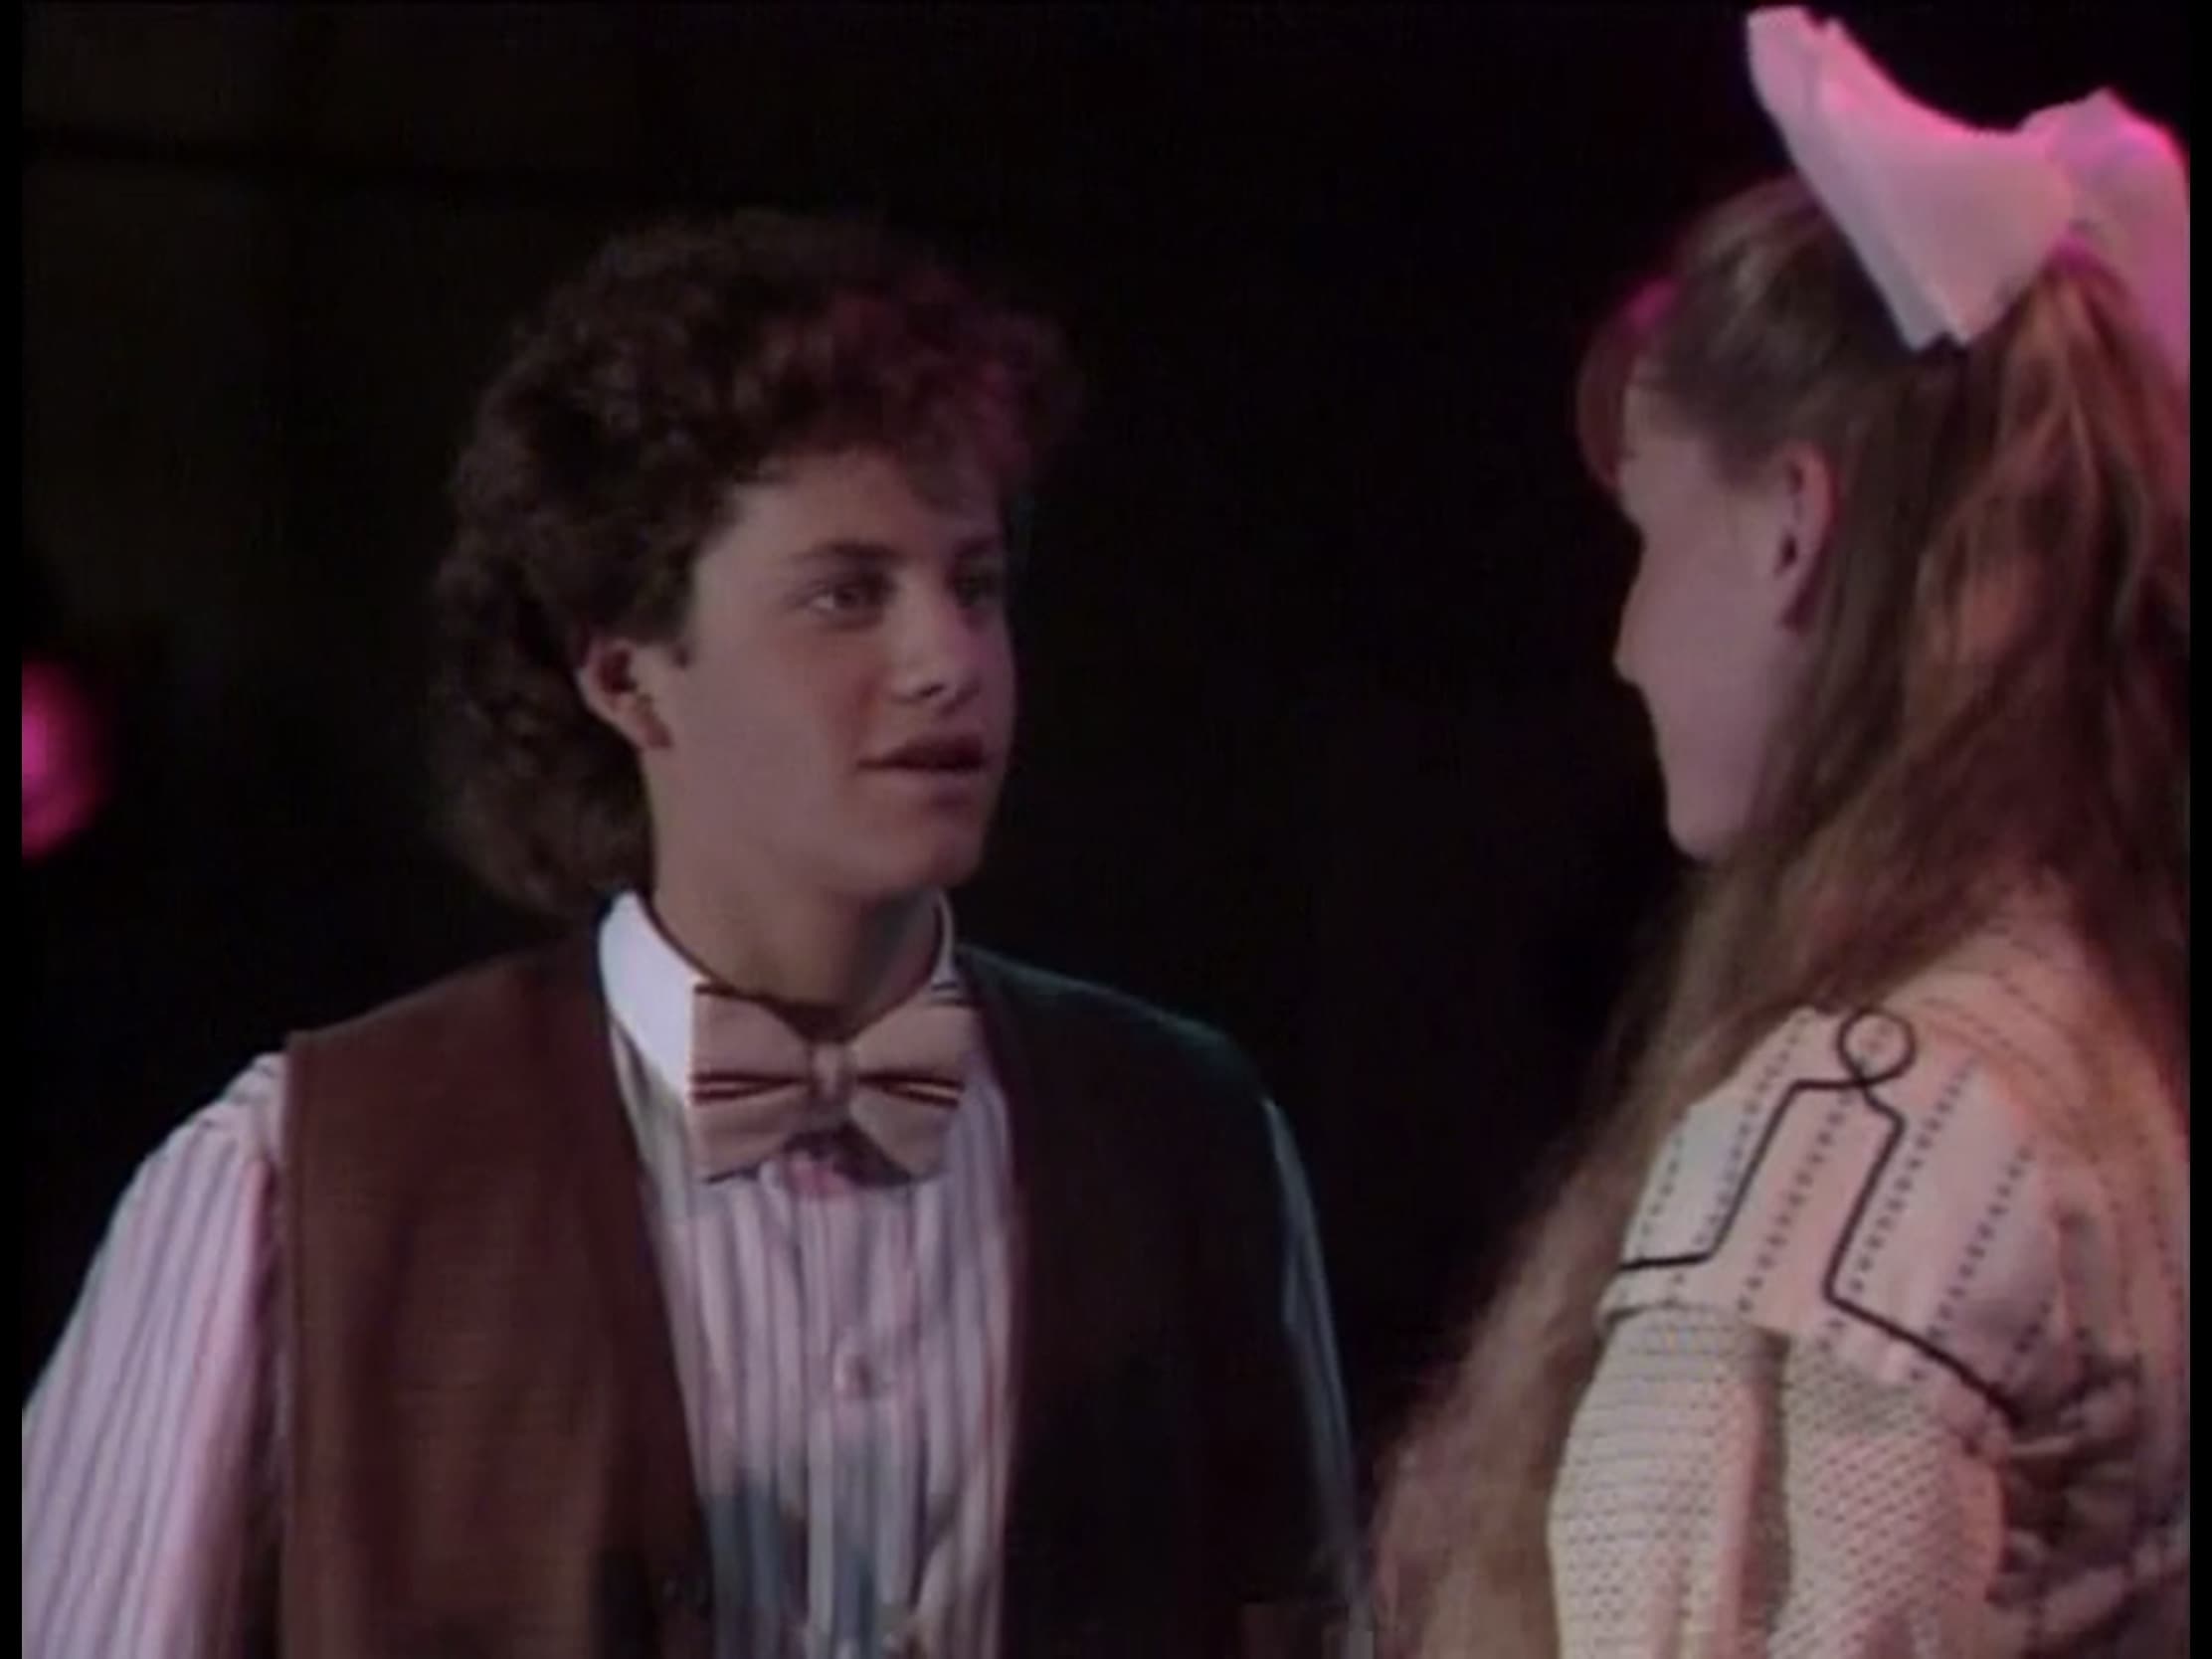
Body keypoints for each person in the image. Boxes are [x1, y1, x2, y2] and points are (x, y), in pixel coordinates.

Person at [24, 209, 1364, 1657]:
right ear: (627, 676)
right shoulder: (304, 1178)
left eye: (975, 586)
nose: (950, 660)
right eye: (846, 594)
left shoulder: (1186, 1146)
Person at [1373, 9, 2187, 1654]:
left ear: (1792, 531)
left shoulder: (1865, 1142)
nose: (1624, 645)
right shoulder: (2097, 1041)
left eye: (1650, 534)